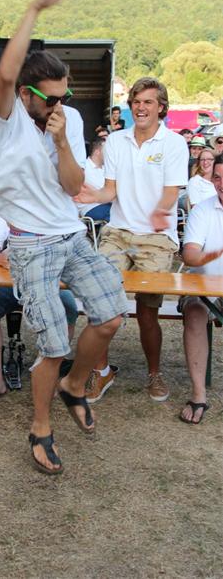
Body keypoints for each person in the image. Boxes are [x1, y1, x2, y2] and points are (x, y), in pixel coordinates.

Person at [0, 0, 128, 475]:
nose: (60, 105)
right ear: (27, 94)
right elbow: (4, 75)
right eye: (51, 98)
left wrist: (63, 141)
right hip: (30, 246)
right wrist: (34, 9)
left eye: (66, 96)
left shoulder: (67, 120)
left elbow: (72, 186)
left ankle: (74, 385)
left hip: (70, 236)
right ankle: (40, 428)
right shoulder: (4, 120)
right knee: (54, 343)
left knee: (110, 315)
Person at [77, 77, 189, 403]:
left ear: (161, 108)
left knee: (147, 310)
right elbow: (110, 191)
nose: (141, 108)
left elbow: (171, 192)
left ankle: (154, 373)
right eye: (136, 102)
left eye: (148, 102)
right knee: (101, 300)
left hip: (157, 238)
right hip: (118, 232)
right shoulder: (115, 141)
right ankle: (101, 371)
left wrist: (162, 211)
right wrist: (93, 195)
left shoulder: (174, 143)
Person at [0, 215, 79, 407]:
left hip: (49, 280)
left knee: (68, 308)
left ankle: (46, 373)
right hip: (11, 279)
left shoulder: (55, 209)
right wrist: (1, 259)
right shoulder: (4, 208)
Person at [179, 154, 223, 424]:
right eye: (217, 178)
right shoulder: (202, 210)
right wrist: (205, 256)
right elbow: (190, 254)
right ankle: (198, 395)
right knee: (194, 312)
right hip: (204, 286)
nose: (222, 184)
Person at [74, 137, 111, 222]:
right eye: (107, 150)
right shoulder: (85, 168)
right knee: (119, 215)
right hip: (90, 207)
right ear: (97, 152)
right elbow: (105, 190)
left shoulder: (106, 168)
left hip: (107, 204)